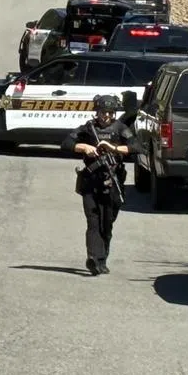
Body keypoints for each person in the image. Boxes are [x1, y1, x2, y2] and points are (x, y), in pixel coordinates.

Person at [61, 95, 135, 275]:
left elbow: (136, 146)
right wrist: (85, 147)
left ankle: (102, 258)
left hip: (112, 182)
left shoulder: (120, 129)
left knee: (106, 223)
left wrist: (113, 148)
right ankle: (93, 258)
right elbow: (66, 143)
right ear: (97, 112)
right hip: (90, 182)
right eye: (103, 112)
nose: (106, 116)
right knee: (93, 220)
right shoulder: (88, 129)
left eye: (110, 113)